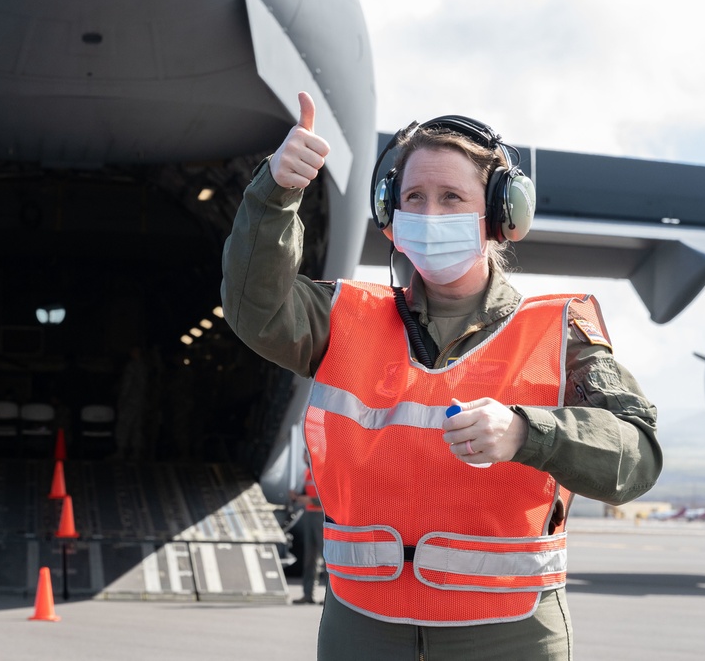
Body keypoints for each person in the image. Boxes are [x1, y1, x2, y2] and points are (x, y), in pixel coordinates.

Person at [220, 92, 661, 660]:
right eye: (414, 198)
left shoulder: (559, 332)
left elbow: (638, 457)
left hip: (507, 627)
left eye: (452, 197)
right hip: (363, 623)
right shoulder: (342, 317)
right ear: (391, 214)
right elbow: (254, 306)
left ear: (500, 214)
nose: (430, 215)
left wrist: (529, 432)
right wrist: (276, 193)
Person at [288, 449, 324, 605]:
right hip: (309, 515)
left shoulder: (322, 471)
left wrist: (308, 500)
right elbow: (304, 492)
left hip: (321, 516)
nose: (303, 457)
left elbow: (327, 496)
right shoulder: (307, 472)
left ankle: (331, 597)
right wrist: (296, 496)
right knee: (309, 558)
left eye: (306, 454)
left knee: (326, 557)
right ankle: (308, 594)